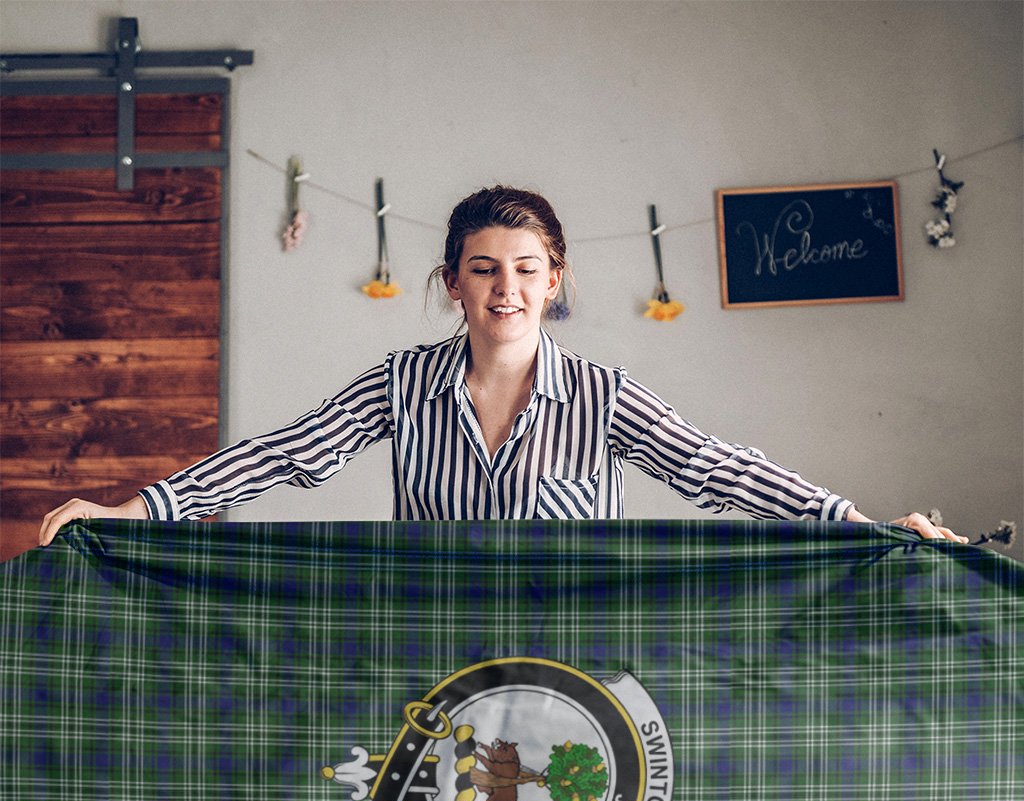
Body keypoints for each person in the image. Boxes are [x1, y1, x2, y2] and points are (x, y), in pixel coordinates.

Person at [39, 186, 968, 546]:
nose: (506, 289)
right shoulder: (401, 383)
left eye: (527, 271)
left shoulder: (605, 398)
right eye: (484, 269)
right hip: (430, 661)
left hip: (579, 668)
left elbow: (718, 468)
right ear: (453, 284)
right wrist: (132, 512)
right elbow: (284, 456)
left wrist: (859, 523)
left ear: (554, 281)